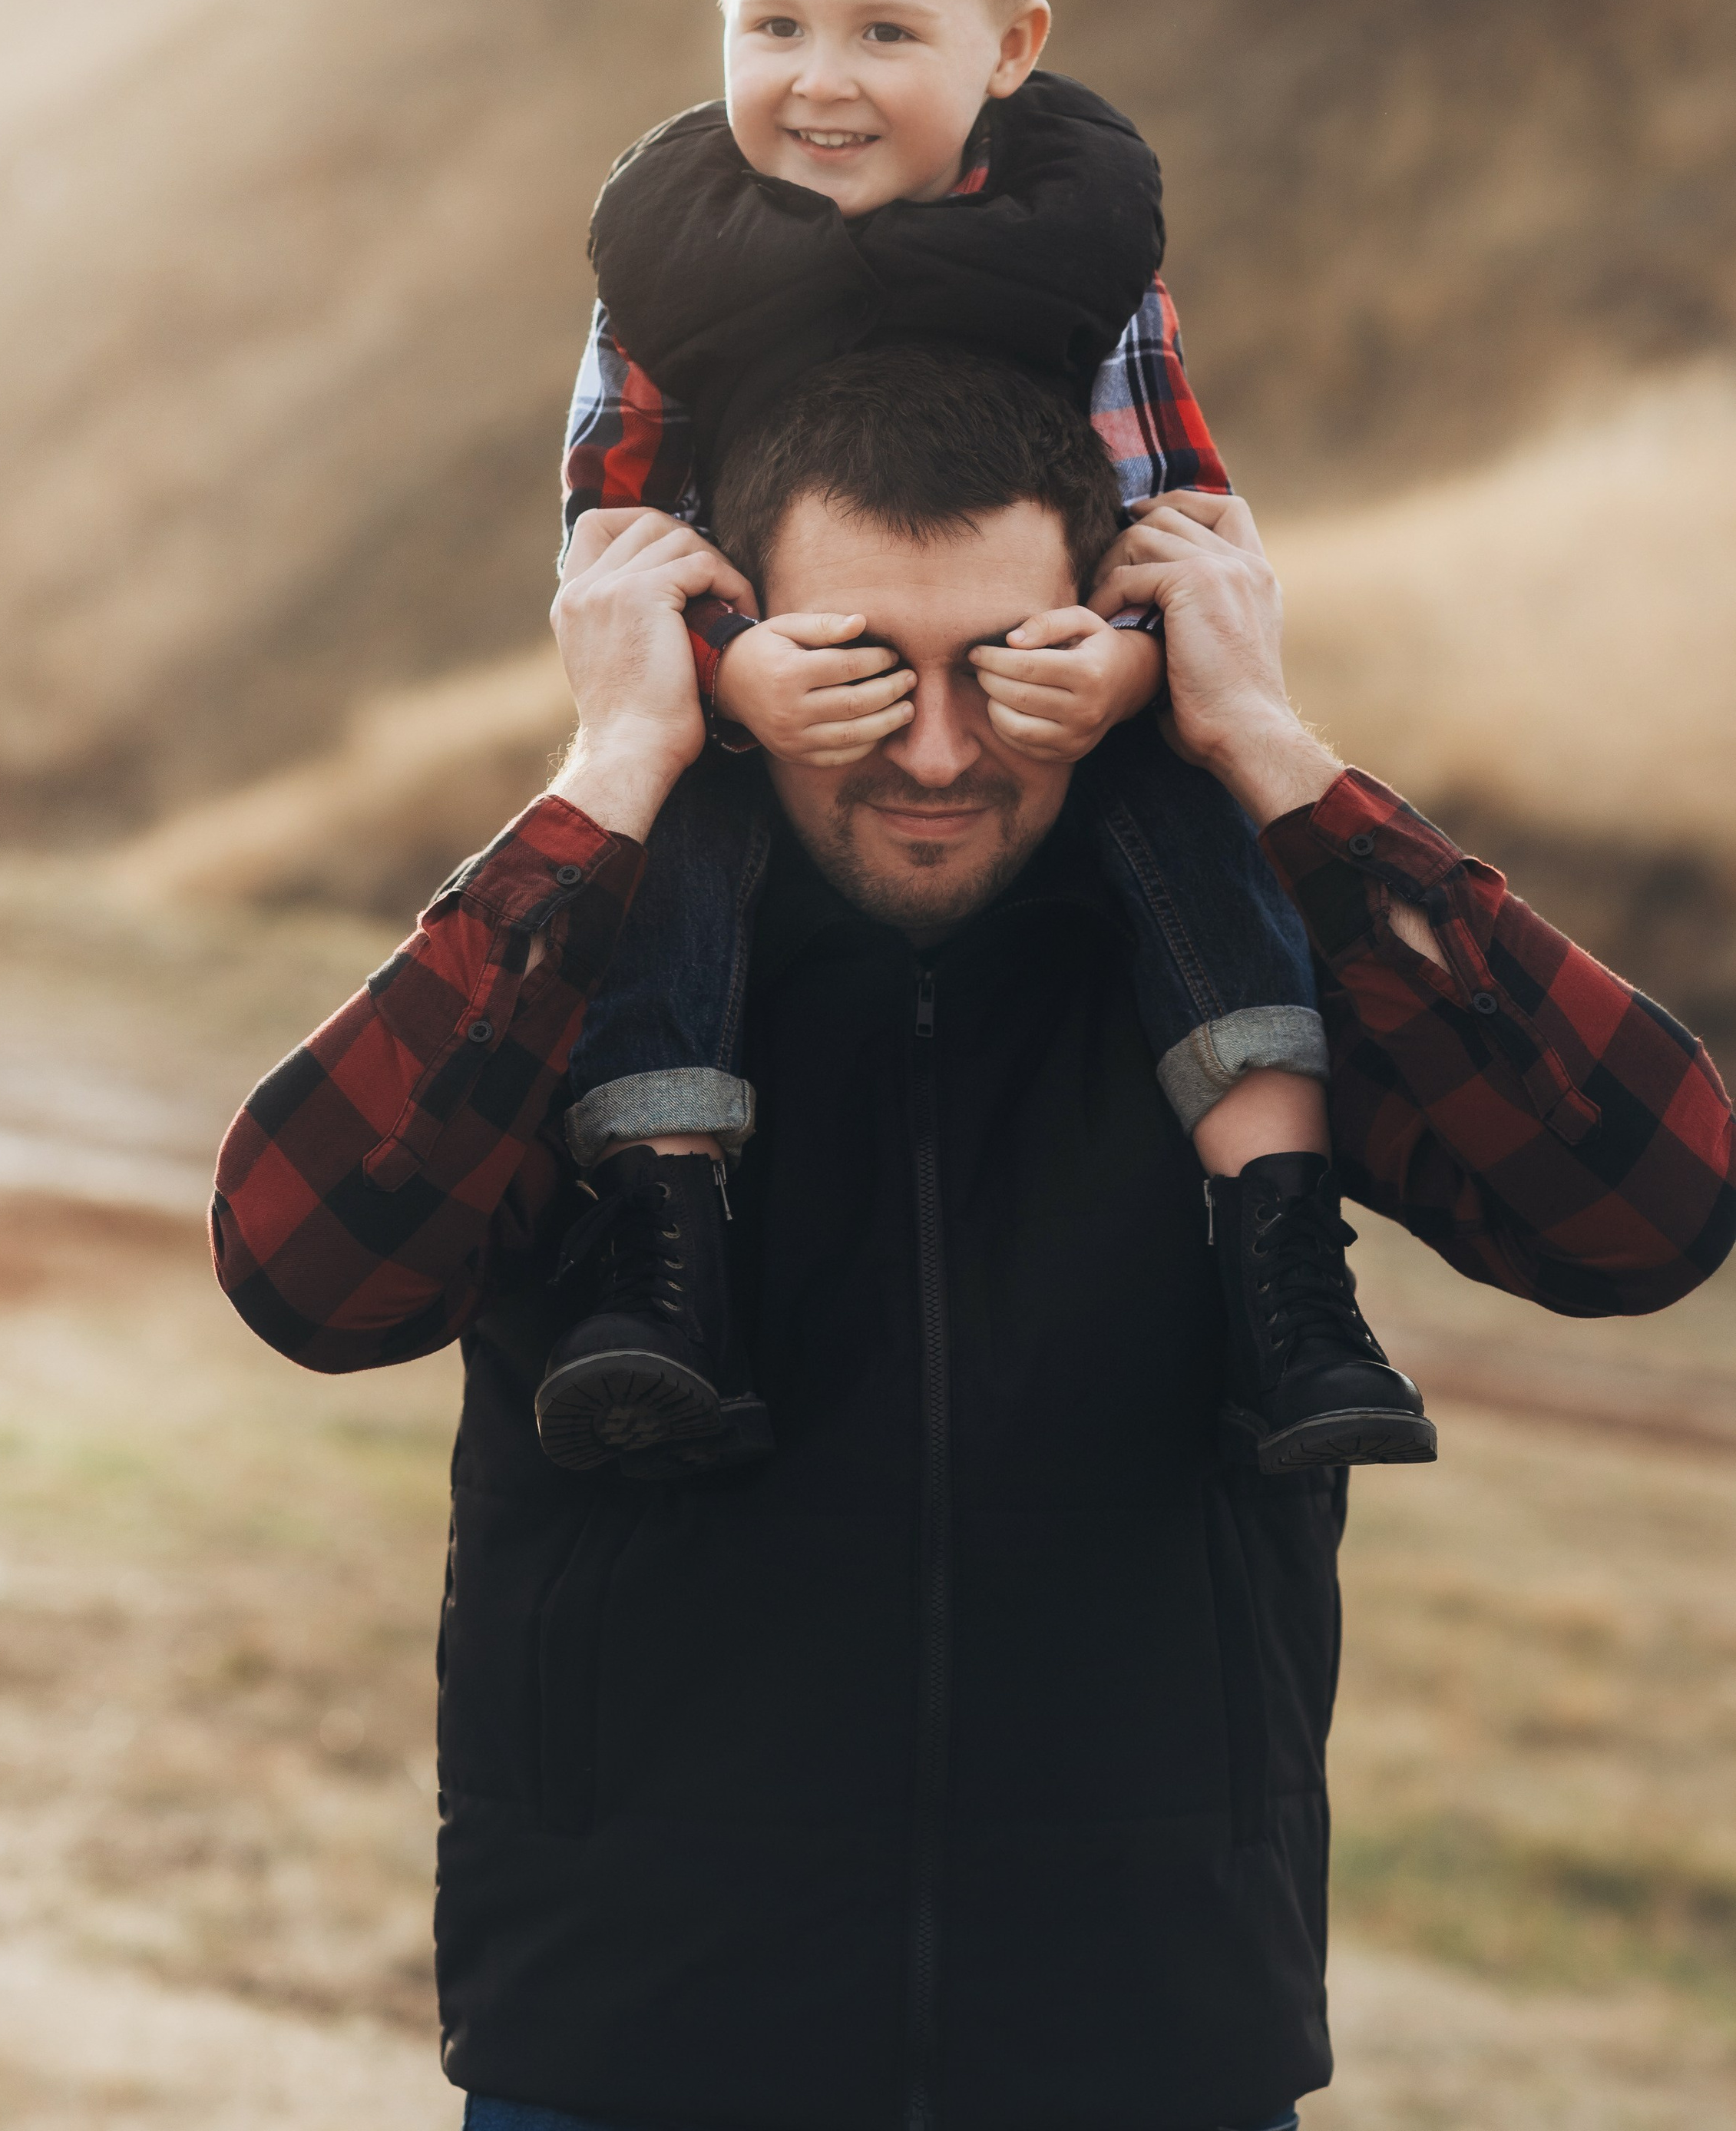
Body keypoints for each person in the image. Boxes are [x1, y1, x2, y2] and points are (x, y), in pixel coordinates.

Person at [211, 349, 1734, 2131]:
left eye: (1001, 671)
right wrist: (616, 759)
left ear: (1102, 646)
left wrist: (1263, 742)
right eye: (857, 672)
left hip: (1147, 2049)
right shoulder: (601, 974)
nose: (935, 754)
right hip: (636, 2055)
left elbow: (1641, 1205)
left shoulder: (1230, 965)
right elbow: (307, 1269)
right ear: (736, 651)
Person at [544, 0, 1429, 1482]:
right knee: (665, 860)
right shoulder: (667, 269)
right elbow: (606, 538)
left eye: (885, 33)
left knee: (1198, 838)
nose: (818, 83)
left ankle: (1284, 1266)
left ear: (1010, 50)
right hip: (765, 709)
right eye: (772, 26)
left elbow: (1179, 511)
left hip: (1042, 700)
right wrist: (726, 677)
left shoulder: (1084, 260)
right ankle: (654, 1259)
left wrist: (1121, 666)